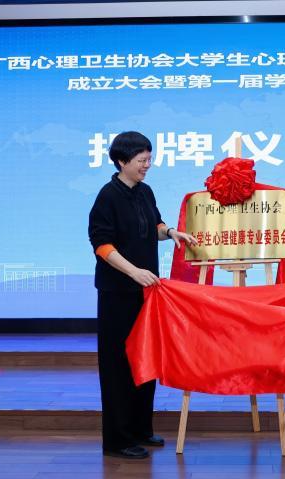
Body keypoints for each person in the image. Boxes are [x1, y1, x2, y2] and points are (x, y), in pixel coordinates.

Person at [88, 131, 197, 459]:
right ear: (122, 161)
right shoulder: (108, 196)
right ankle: (118, 440)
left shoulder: (145, 191)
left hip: (147, 292)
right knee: (118, 365)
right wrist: (133, 271)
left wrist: (172, 232)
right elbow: (101, 245)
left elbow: (154, 225)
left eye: (149, 159)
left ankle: (140, 430)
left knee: (145, 357)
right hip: (117, 292)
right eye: (141, 160)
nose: (147, 165)